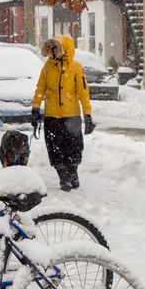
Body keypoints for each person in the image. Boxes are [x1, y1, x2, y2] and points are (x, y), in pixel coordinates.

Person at [30, 35, 95, 191]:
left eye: (57, 48)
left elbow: (83, 92)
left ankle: (73, 172)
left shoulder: (76, 68)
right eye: (52, 48)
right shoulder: (47, 67)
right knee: (54, 148)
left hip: (71, 116)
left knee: (73, 147)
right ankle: (63, 176)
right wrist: (35, 108)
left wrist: (87, 114)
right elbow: (40, 89)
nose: (54, 51)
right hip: (52, 117)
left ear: (65, 49)